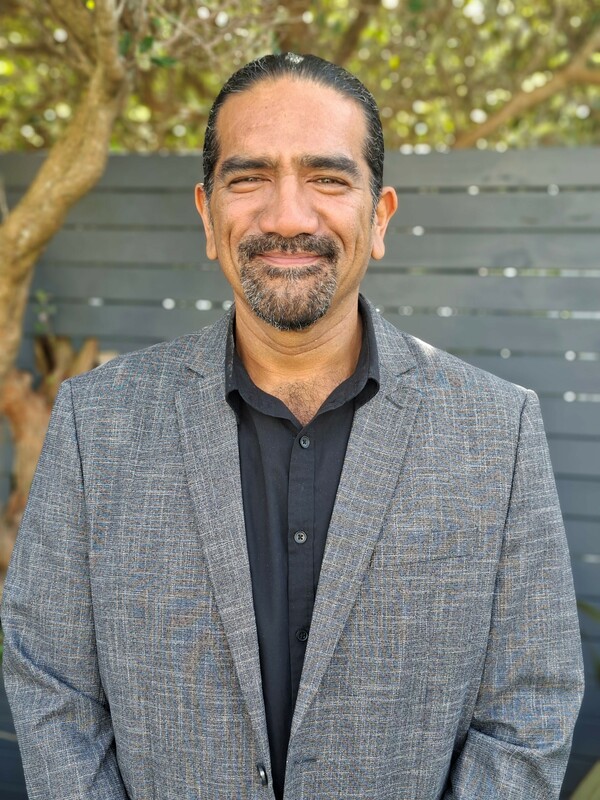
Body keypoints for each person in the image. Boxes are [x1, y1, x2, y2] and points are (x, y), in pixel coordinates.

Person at [2, 53, 583, 800]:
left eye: (328, 179)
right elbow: (51, 684)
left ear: (380, 216)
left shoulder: (498, 430)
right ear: (207, 214)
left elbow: (530, 707)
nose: (287, 217)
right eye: (249, 177)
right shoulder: (95, 421)